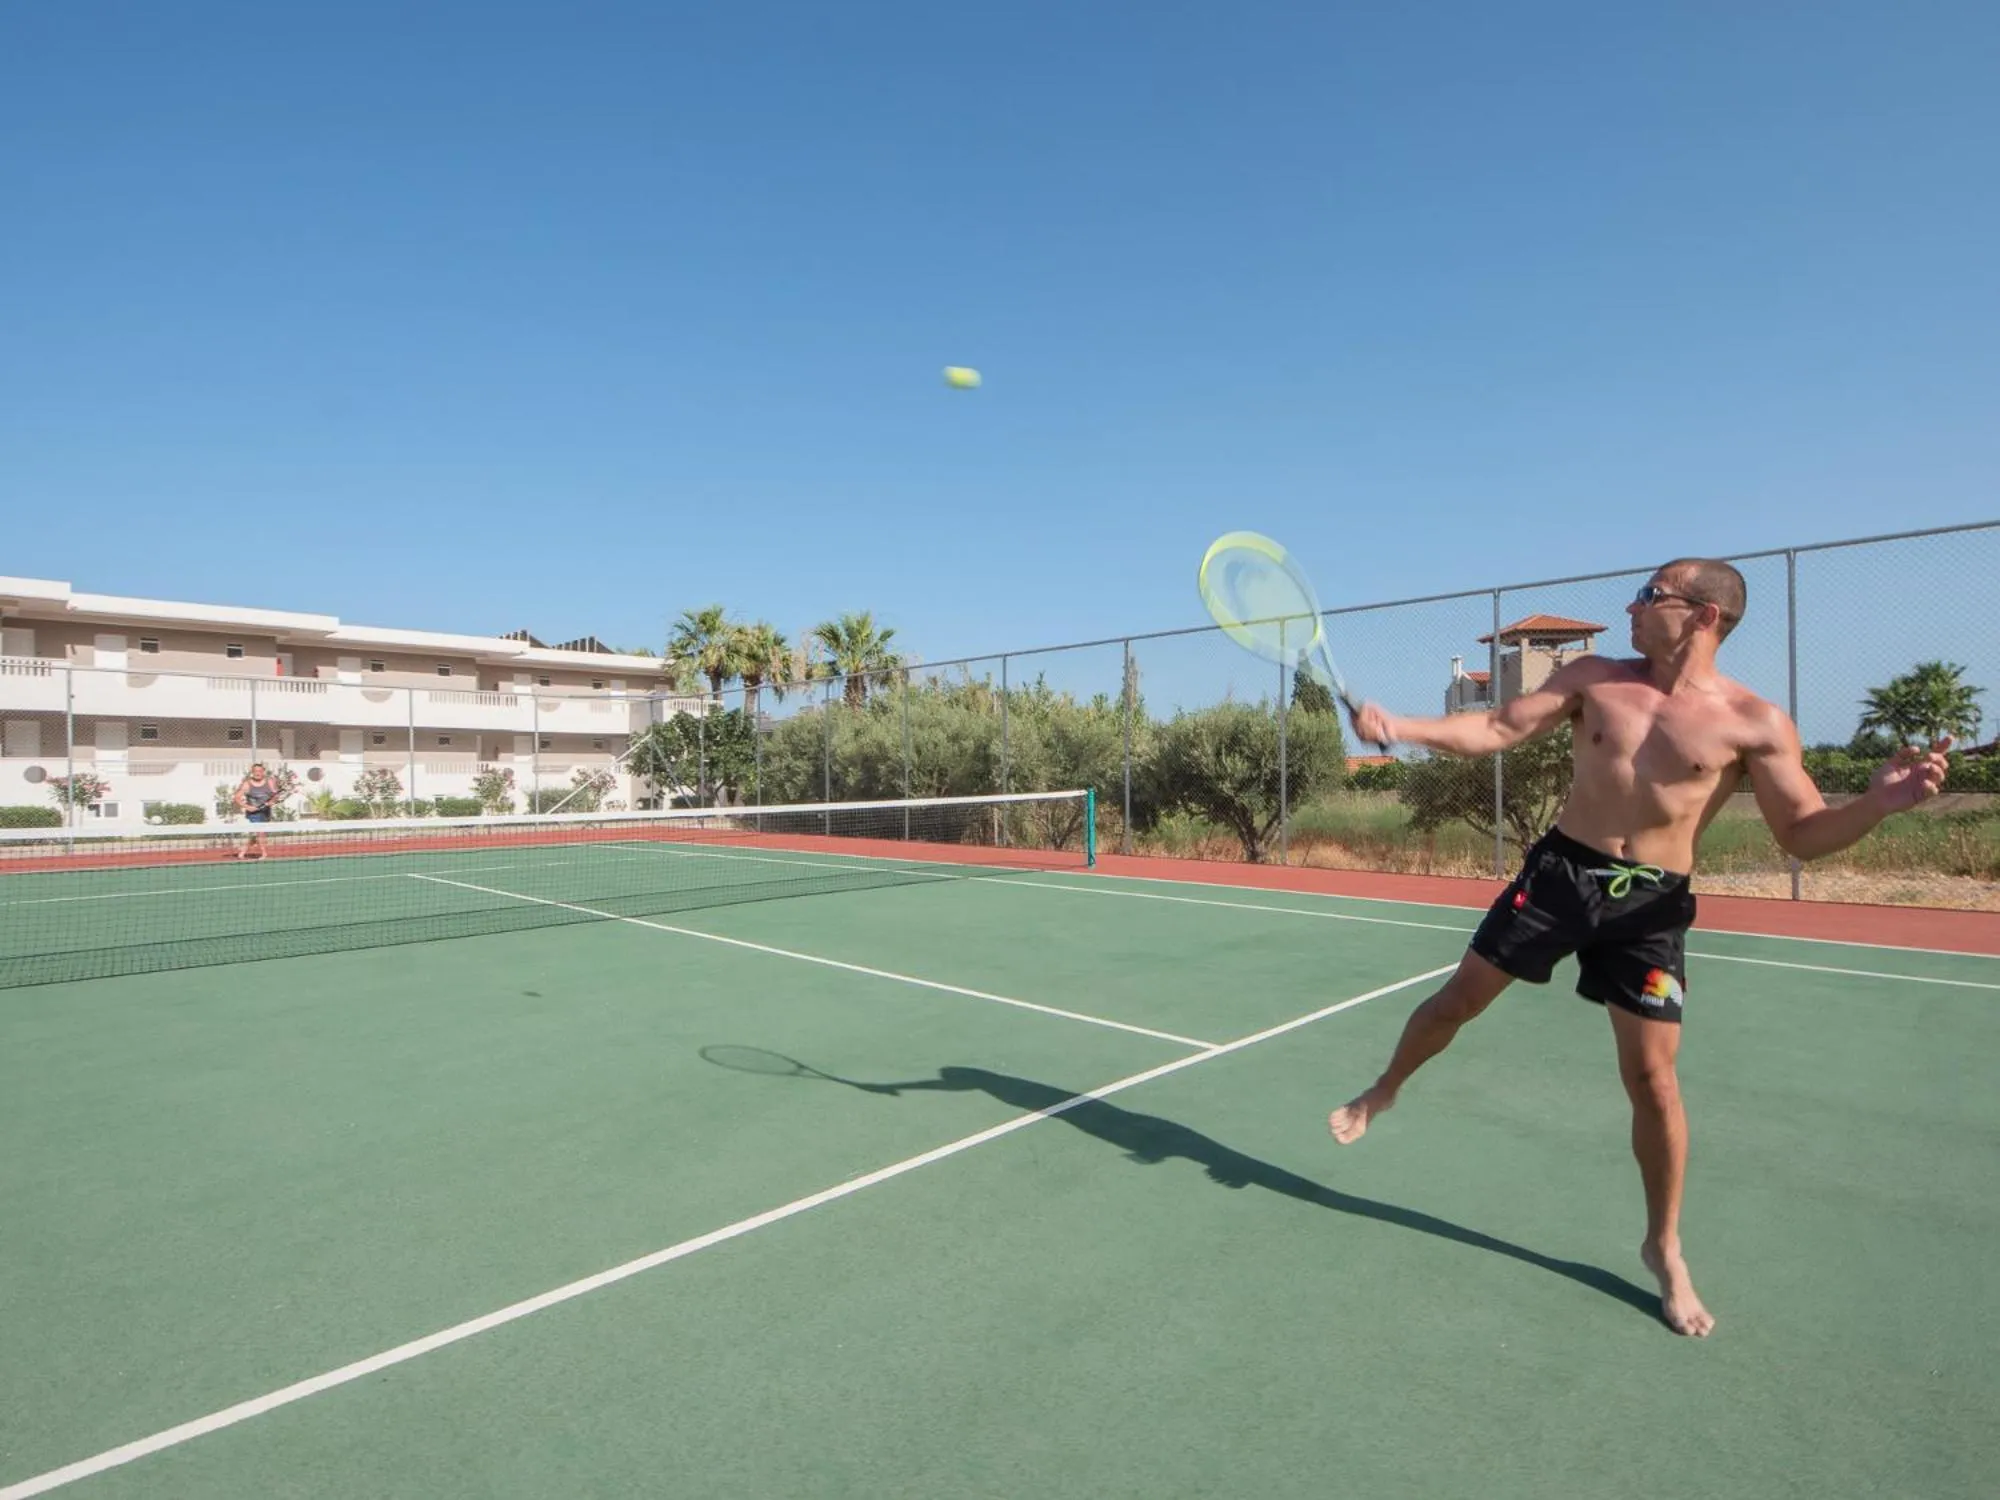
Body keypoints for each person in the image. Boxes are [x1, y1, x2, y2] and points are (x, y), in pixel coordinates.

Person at [1328, 558, 1951, 1338]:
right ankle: (1385, 1086)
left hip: (1651, 904)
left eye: (1650, 596)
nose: (1630, 606)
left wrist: (1880, 803)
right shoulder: (1594, 677)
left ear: (1703, 616)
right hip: (1561, 873)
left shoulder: (1755, 723)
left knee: (1654, 1080)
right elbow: (1495, 727)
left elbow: (1803, 832)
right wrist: (1404, 727)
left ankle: (1664, 1245)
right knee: (1457, 1001)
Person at [233, 763, 280, 860]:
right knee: (260, 832)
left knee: (256, 833)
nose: (257, 773)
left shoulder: (270, 782)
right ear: (252, 772)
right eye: (255, 771)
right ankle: (264, 853)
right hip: (253, 813)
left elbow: (276, 795)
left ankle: (243, 851)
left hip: (266, 811)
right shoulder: (247, 784)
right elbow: (237, 797)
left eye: (260, 771)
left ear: (263, 772)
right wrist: (247, 806)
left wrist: (271, 802)